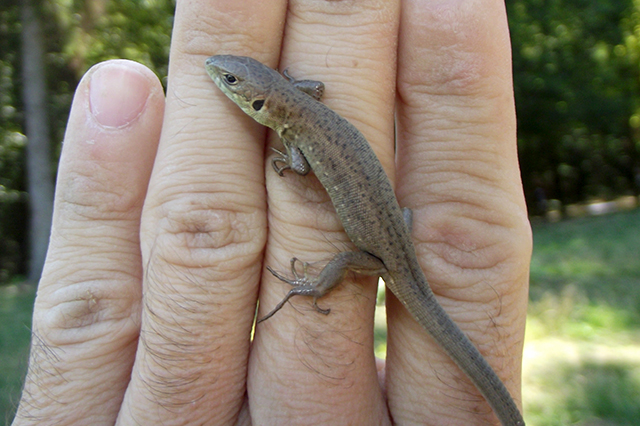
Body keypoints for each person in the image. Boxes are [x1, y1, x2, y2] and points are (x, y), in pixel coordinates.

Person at [12, 0, 531, 424]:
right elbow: (314, 90)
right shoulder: (296, 101)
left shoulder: (294, 133)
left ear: (264, 103)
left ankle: (313, 286)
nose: (223, 79)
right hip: (396, 233)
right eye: (233, 80)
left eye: (236, 84)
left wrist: (288, 176)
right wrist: (284, 89)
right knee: (403, 242)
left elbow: (300, 167)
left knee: (351, 262)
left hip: (373, 256)